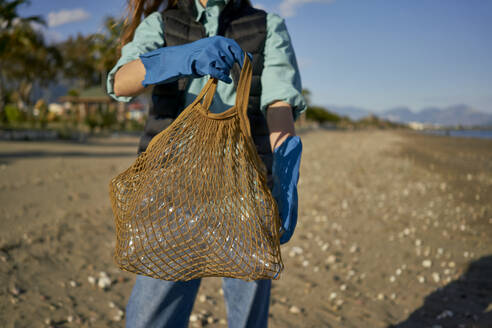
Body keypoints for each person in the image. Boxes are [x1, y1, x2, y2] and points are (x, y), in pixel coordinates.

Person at [107, 0, 306, 327]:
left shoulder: (267, 26)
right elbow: (120, 83)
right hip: (169, 192)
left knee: (248, 319)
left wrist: (285, 172)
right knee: (149, 319)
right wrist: (179, 57)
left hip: (245, 193)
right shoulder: (161, 24)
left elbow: (279, 101)